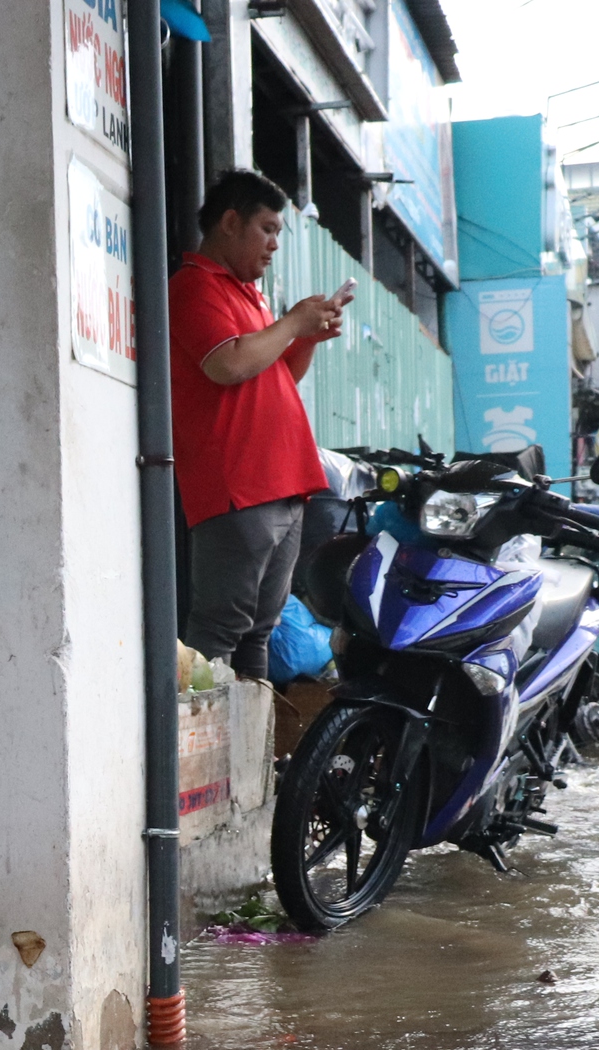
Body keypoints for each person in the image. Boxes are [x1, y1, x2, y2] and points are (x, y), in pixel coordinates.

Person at [170, 168, 345, 682]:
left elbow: (279, 374)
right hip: (238, 488)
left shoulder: (250, 297)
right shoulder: (195, 286)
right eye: (266, 229)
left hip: (283, 486)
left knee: (258, 634)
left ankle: (249, 760)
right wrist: (292, 323)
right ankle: (201, 757)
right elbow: (228, 365)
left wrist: (306, 337)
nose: (273, 244)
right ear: (230, 221)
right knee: (220, 631)